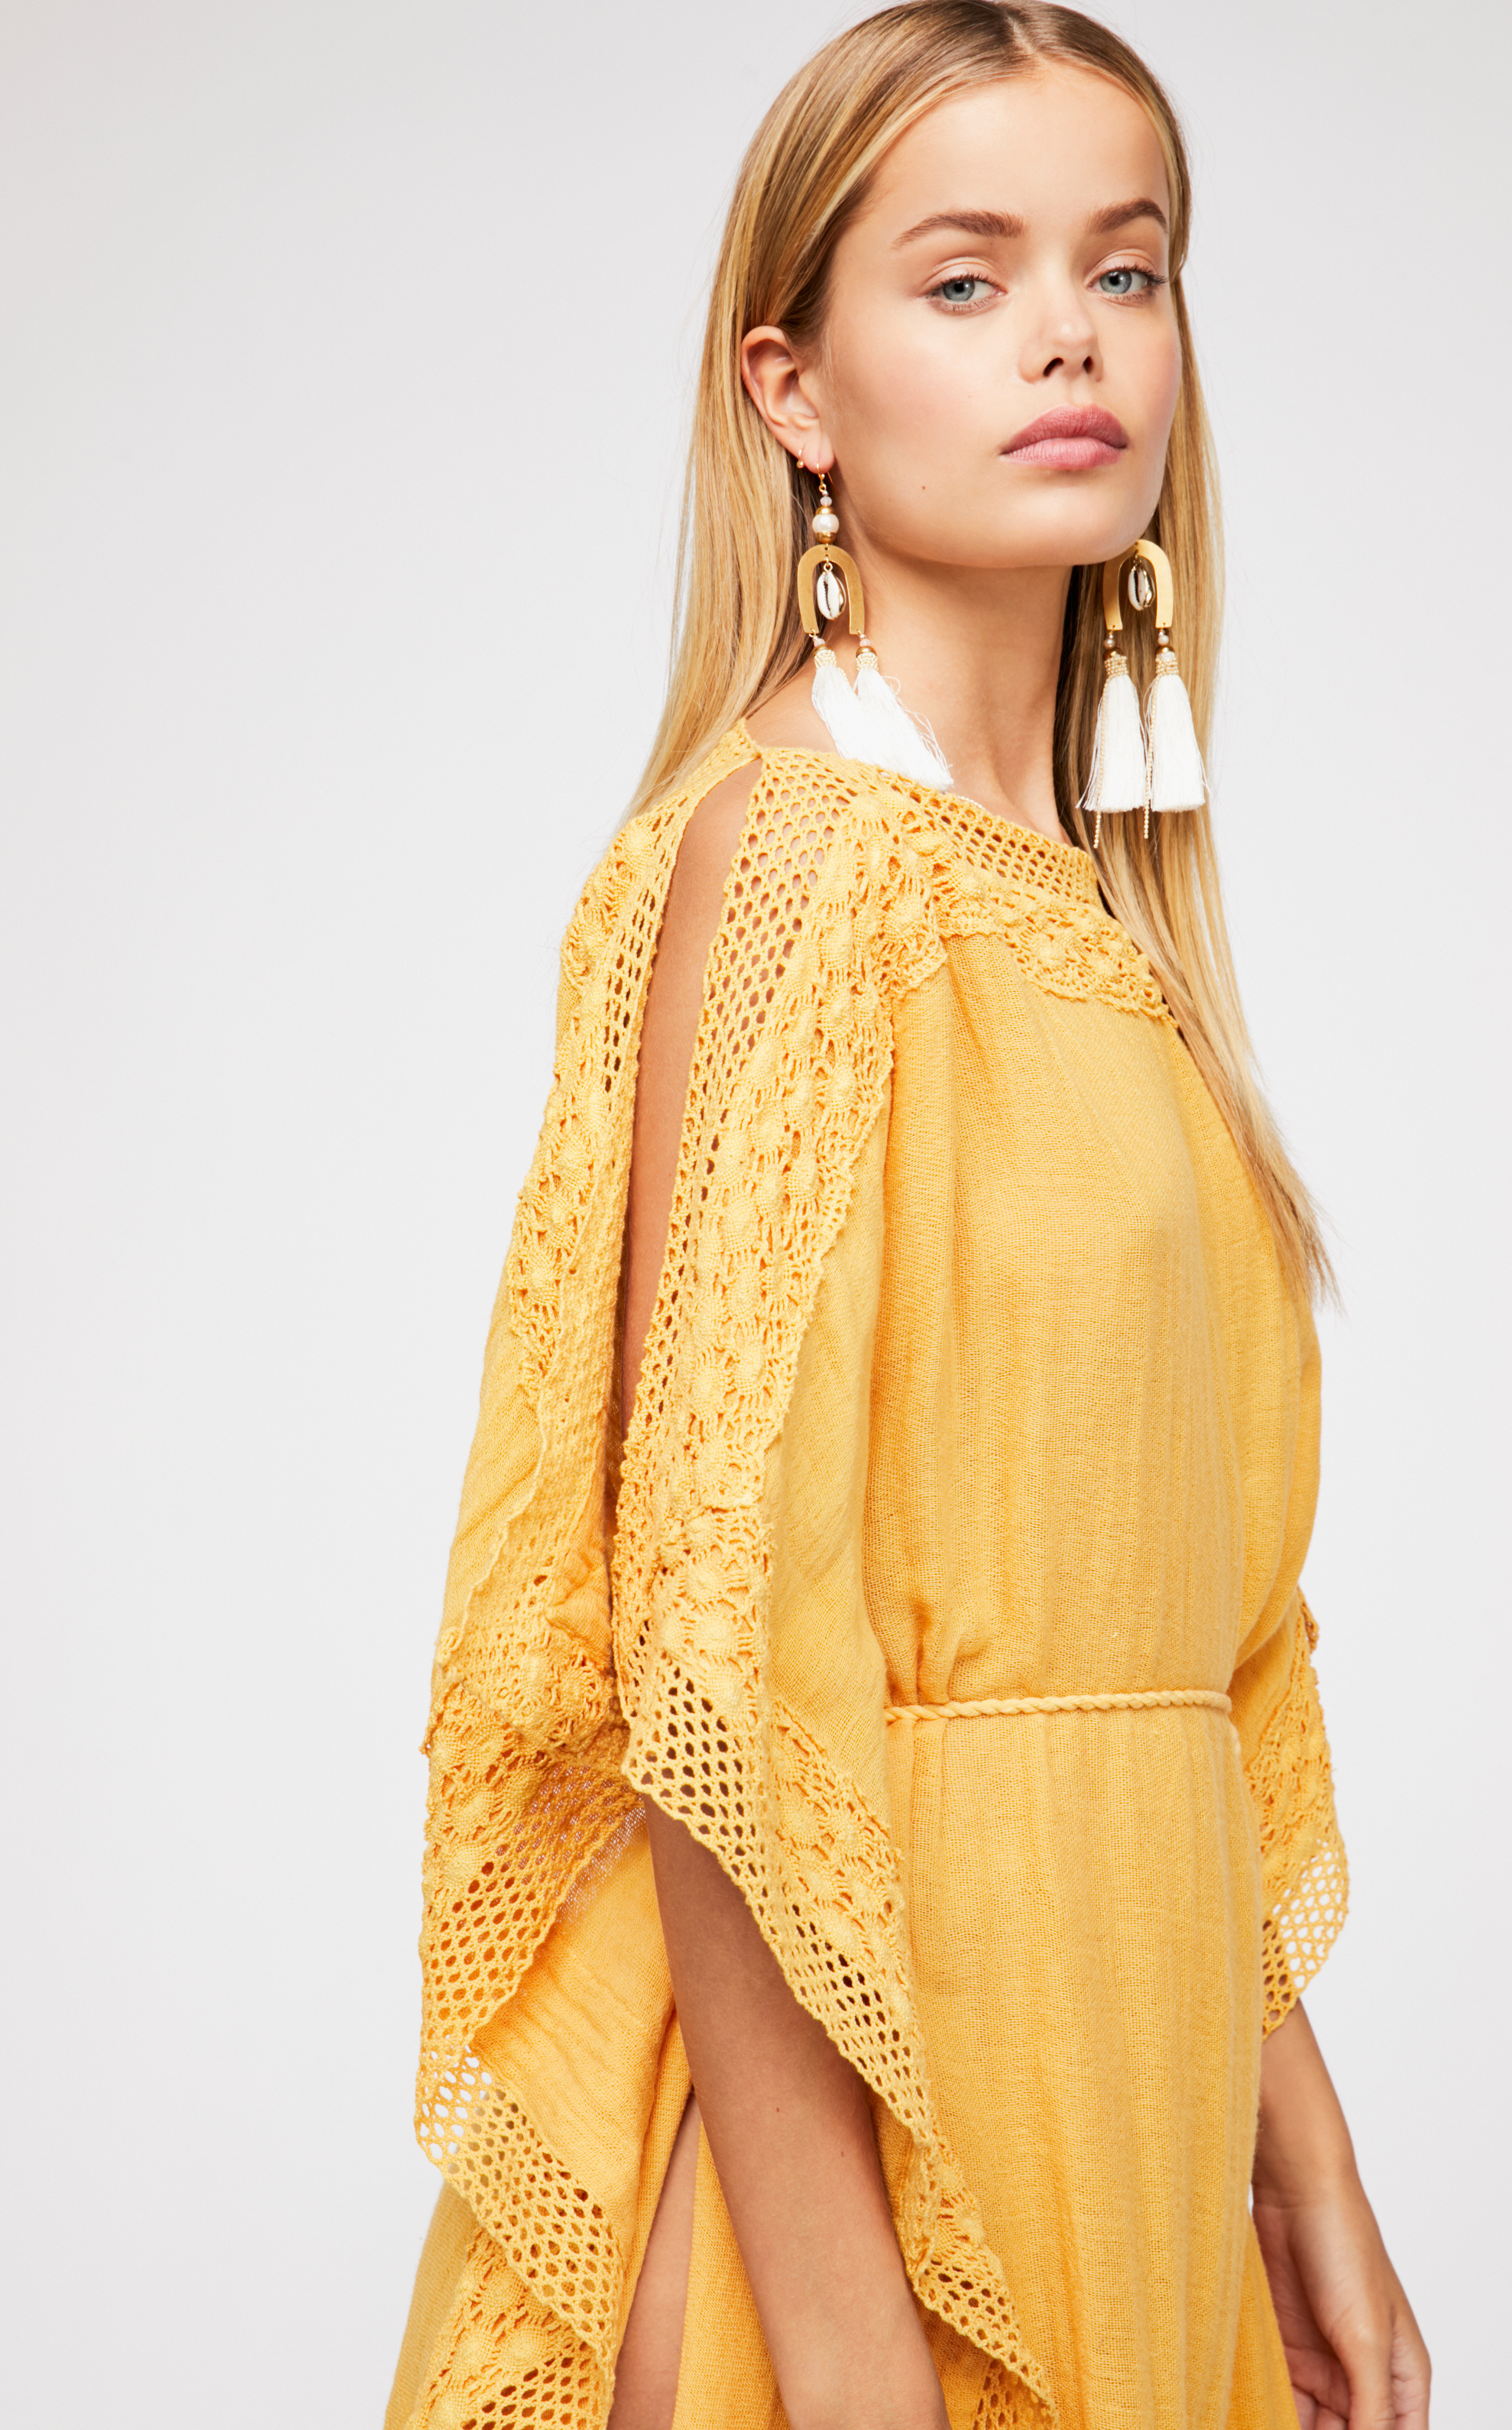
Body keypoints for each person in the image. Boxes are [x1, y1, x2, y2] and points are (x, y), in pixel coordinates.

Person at [384, 7, 1429, 2427]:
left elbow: (1176, 1661)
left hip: (1129, 2077)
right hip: (870, 2155)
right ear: (795, 390)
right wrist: (856, 2379)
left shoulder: (1094, 919)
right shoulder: (790, 866)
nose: (1072, 335)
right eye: (966, 280)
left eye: (1125, 268)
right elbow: (715, 1700)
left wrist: (1312, 2174)